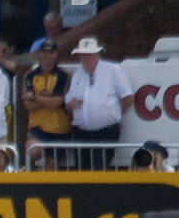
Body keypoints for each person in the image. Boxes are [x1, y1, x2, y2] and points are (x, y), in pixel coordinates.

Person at [64, 37, 132, 170]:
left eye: (89, 55)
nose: (86, 59)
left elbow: (127, 97)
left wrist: (115, 115)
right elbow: (68, 104)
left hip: (105, 133)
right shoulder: (77, 75)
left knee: (99, 169)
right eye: (83, 55)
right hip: (81, 134)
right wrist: (71, 104)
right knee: (81, 171)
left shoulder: (113, 71)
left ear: (97, 54)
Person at [22, 40, 72, 169]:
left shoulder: (63, 76)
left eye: (51, 53)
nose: (47, 56)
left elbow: (57, 102)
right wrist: (47, 99)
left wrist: (34, 96)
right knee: (33, 151)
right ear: (39, 54)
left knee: (51, 165)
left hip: (60, 128)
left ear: (56, 54)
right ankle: (29, 182)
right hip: (37, 126)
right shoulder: (29, 76)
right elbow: (28, 106)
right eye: (44, 52)